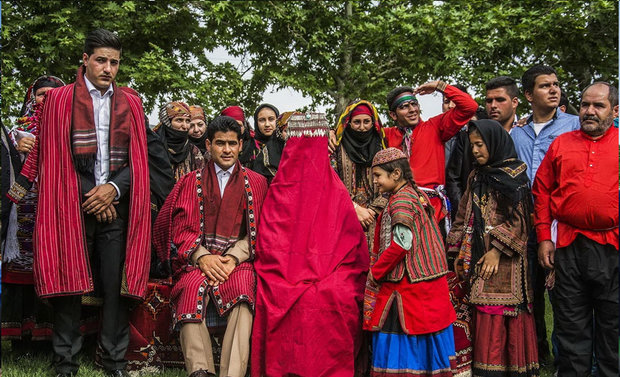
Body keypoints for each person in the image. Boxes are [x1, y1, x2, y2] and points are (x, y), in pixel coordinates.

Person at [7, 29, 151, 377]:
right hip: (70, 204)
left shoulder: (131, 102)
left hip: (116, 205)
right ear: (85, 60)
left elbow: (141, 159)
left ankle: (113, 361)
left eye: (114, 62)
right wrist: (93, 194)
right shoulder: (58, 100)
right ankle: (65, 362)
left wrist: (113, 190)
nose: (108, 68)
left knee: (115, 285)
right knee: (69, 283)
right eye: (101, 60)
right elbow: (54, 154)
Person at [252, 113, 369, 377]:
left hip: (331, 273)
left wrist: (326, 277)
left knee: (336, 295)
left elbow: (353, 250)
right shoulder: (281, 188)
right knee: (285, 295)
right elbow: (270, 246)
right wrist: (295, 278)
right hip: (284, 274)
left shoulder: (335, 189)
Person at [153, 116, 268, 377]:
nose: (226, 150)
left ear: (241, 145)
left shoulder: (258, 182)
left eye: (231, 143)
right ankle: (200, 371)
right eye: (219, 144)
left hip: (238, 262)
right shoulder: (189, 181)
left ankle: (232, 374)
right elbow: (179, 227)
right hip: (198, 259)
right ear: (208, 144)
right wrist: (202, 257)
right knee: (190, 289)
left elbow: (261, 231)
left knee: (243, 294)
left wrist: (234, 258)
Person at [533, 82, 618, 377]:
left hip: (613, 248)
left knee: (612, 326)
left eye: (598, 106)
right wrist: (544, 237)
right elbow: (541, 191)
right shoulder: (562, 143)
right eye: (585, 105)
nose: (589, 111)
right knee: (570, 327)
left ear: (615, 110)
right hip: (567, 247)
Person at [447, 120, 539, 376]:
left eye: (480, 144)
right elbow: (464, 213)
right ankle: (484, 368)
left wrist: (497, 250)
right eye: (472, 145)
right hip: (476, 254)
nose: (475, 150)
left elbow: (520, 220)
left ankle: (509, 368)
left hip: (505, 260)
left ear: (495, 143)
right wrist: (455, 251)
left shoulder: (514, 175)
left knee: (500, 310)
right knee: (482, 309)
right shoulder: (476, 175)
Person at [364, 147, 457, 377]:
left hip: (409, 285)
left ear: (396, 174)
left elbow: (401, 244)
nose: (375, 181)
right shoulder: (412, 194)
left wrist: (376, 272)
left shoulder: (401, 200)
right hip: (426, 281)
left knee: (408, 332)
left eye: (378, 176)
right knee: (427, 332)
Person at [510, 64, 580, 365]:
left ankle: (568, 358)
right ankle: (537, 355)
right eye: (544, 86)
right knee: (530, 294)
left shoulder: (574, 127)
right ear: (528, 95)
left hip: (561, 223)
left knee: (564, 296)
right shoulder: (517, 134)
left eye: (555, 84)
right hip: (526, 222)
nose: (554, 90)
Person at [382, 80, 478, 233]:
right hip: (399, 210)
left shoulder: (435, 126)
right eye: (404, 107)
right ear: (393, 115)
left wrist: (440, 87)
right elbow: (356, 124)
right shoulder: (386, 135)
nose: (412, 109)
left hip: (432, 211)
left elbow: (470, 106)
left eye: (414, 104)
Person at [446, 76, 519, 221]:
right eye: (489, 101)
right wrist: (466, 212)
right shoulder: (468, 136)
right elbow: (454, 179)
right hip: (473, 217)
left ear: (515, 102)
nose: (493, 105)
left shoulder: (526, 134)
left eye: (500, 100)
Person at [331, 99, 387, 251]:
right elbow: (331, 182)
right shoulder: (335, 147)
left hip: (376, 216)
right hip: (343, 215)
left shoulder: (382, 146)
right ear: (348, 122)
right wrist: (353, 208)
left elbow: (392, 183)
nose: (362, 127)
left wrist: (371, 212)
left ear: (373, 122)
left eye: (366, 121)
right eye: (357, 122)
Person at [154, 101, 205, 182]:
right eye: (179, 120)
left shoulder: (193, 151)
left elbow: (201, 181)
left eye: (188, 121)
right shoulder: (153, 147)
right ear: (168, 123)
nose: (185, 126)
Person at [251, 103, 285, 182]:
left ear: (278, 120)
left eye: (271, 119)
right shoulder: (249, 147)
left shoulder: (286, 145)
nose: (267, 124)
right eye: (262, 120)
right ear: (256, 123)